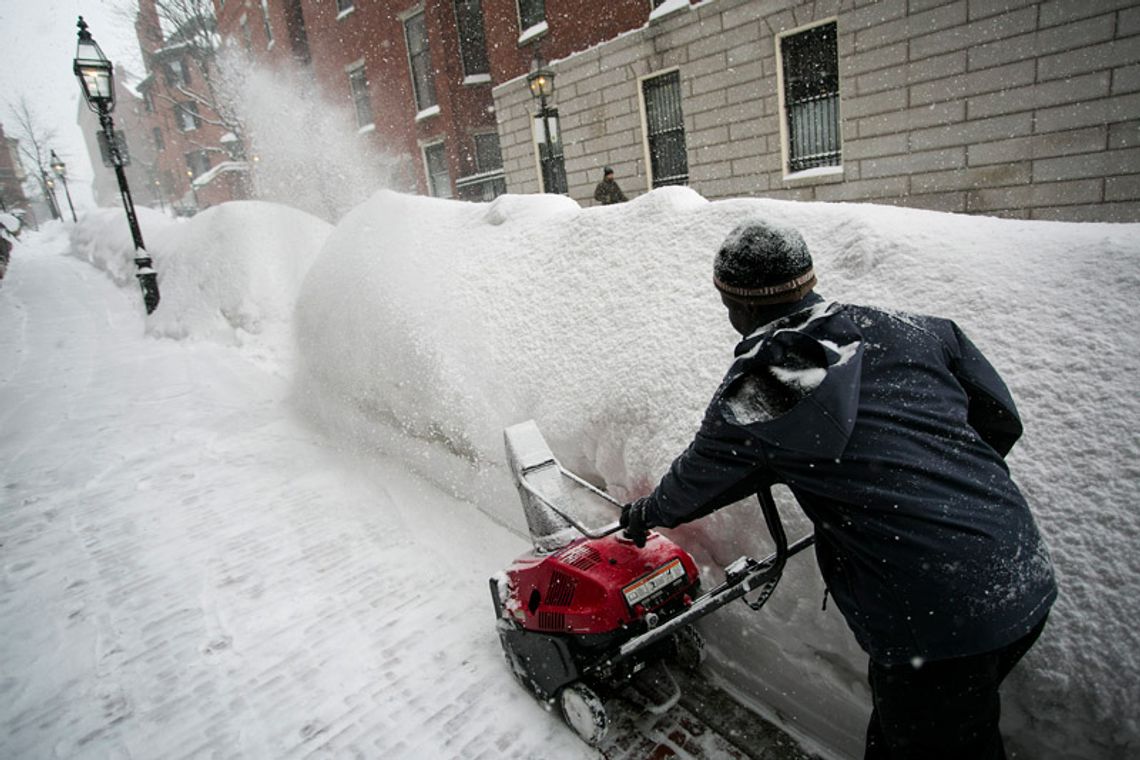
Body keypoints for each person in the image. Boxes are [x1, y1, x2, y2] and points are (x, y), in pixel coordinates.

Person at [620, 219, 1057, 760]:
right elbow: (999, 422)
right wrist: (944, 489)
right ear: (808, 281)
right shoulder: (915, 329)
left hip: (934, 615)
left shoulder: (761, 389)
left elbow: (695, 485)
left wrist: (644, 514)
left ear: (733, 304)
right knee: (938, 733)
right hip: (1019, 563)